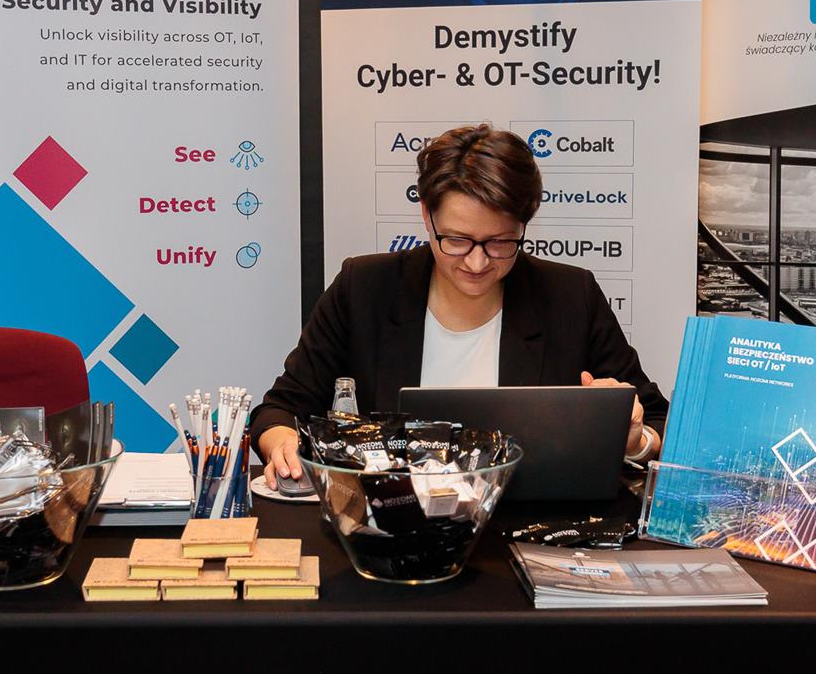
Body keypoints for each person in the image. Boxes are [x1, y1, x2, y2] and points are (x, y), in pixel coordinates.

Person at [251, 123, 665, 485]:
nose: (477, 262)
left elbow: (656, 420)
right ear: (426, 215)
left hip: (529, 527)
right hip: (386, 525)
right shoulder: (365, 288)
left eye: (500, 242)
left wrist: (636, 440)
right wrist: (283, 442)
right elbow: (280, 409)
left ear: (524, 223)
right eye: (457, 240)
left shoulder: (569, 297)